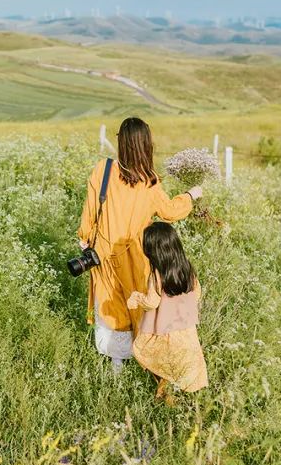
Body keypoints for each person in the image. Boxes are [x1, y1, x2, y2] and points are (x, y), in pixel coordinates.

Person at [77, 117, 203, 369]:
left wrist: (85, 238)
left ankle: (116, 364)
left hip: (102, 253)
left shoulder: (103, 169)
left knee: (110, 303)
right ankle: (144, 358)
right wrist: (190, 195)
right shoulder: (149, 181)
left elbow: (90, 209)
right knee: (137, 304)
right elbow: (169, 212)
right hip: (137, 256)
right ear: (146, 145)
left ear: (122, 142)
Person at [127, 221, 209, 402]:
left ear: (154, 252)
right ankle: (177, 392)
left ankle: (165, 393)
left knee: (148, 351)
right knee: (183, 361)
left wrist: (136, 297)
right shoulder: (186, 267)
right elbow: (197, 293)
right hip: (186, 328)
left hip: (164, 329)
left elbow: (152, 302)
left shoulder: (157, 274)